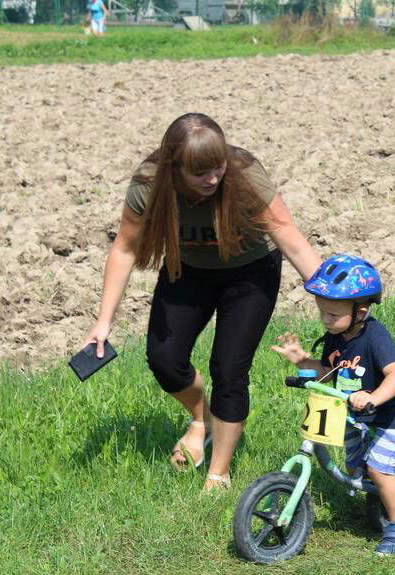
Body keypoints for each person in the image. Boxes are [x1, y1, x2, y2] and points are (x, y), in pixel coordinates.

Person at [85, 113, 322, 491]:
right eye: (200, 173)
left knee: (228, 370)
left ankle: (218, 472)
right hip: (189, 270)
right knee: (164, 359)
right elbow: (125, 247)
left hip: (250, 273)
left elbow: (286, 234)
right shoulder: (150, 183)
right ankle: (202, 420)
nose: (213, 179)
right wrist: (103, 322)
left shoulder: (243, 173)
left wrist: (331, 296)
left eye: (217, 168)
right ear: (174, 169)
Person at [271, 255, 395, 556]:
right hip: (355, 414)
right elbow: (329, 371)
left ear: (361, 311)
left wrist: (374, 397)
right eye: (322, 312)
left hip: (389, 416)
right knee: (354, 466)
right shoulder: (335, 337)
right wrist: (302, 361)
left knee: (377, 468)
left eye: (333, 314)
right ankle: (376, 496)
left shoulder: (375, 336)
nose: (325, 320)